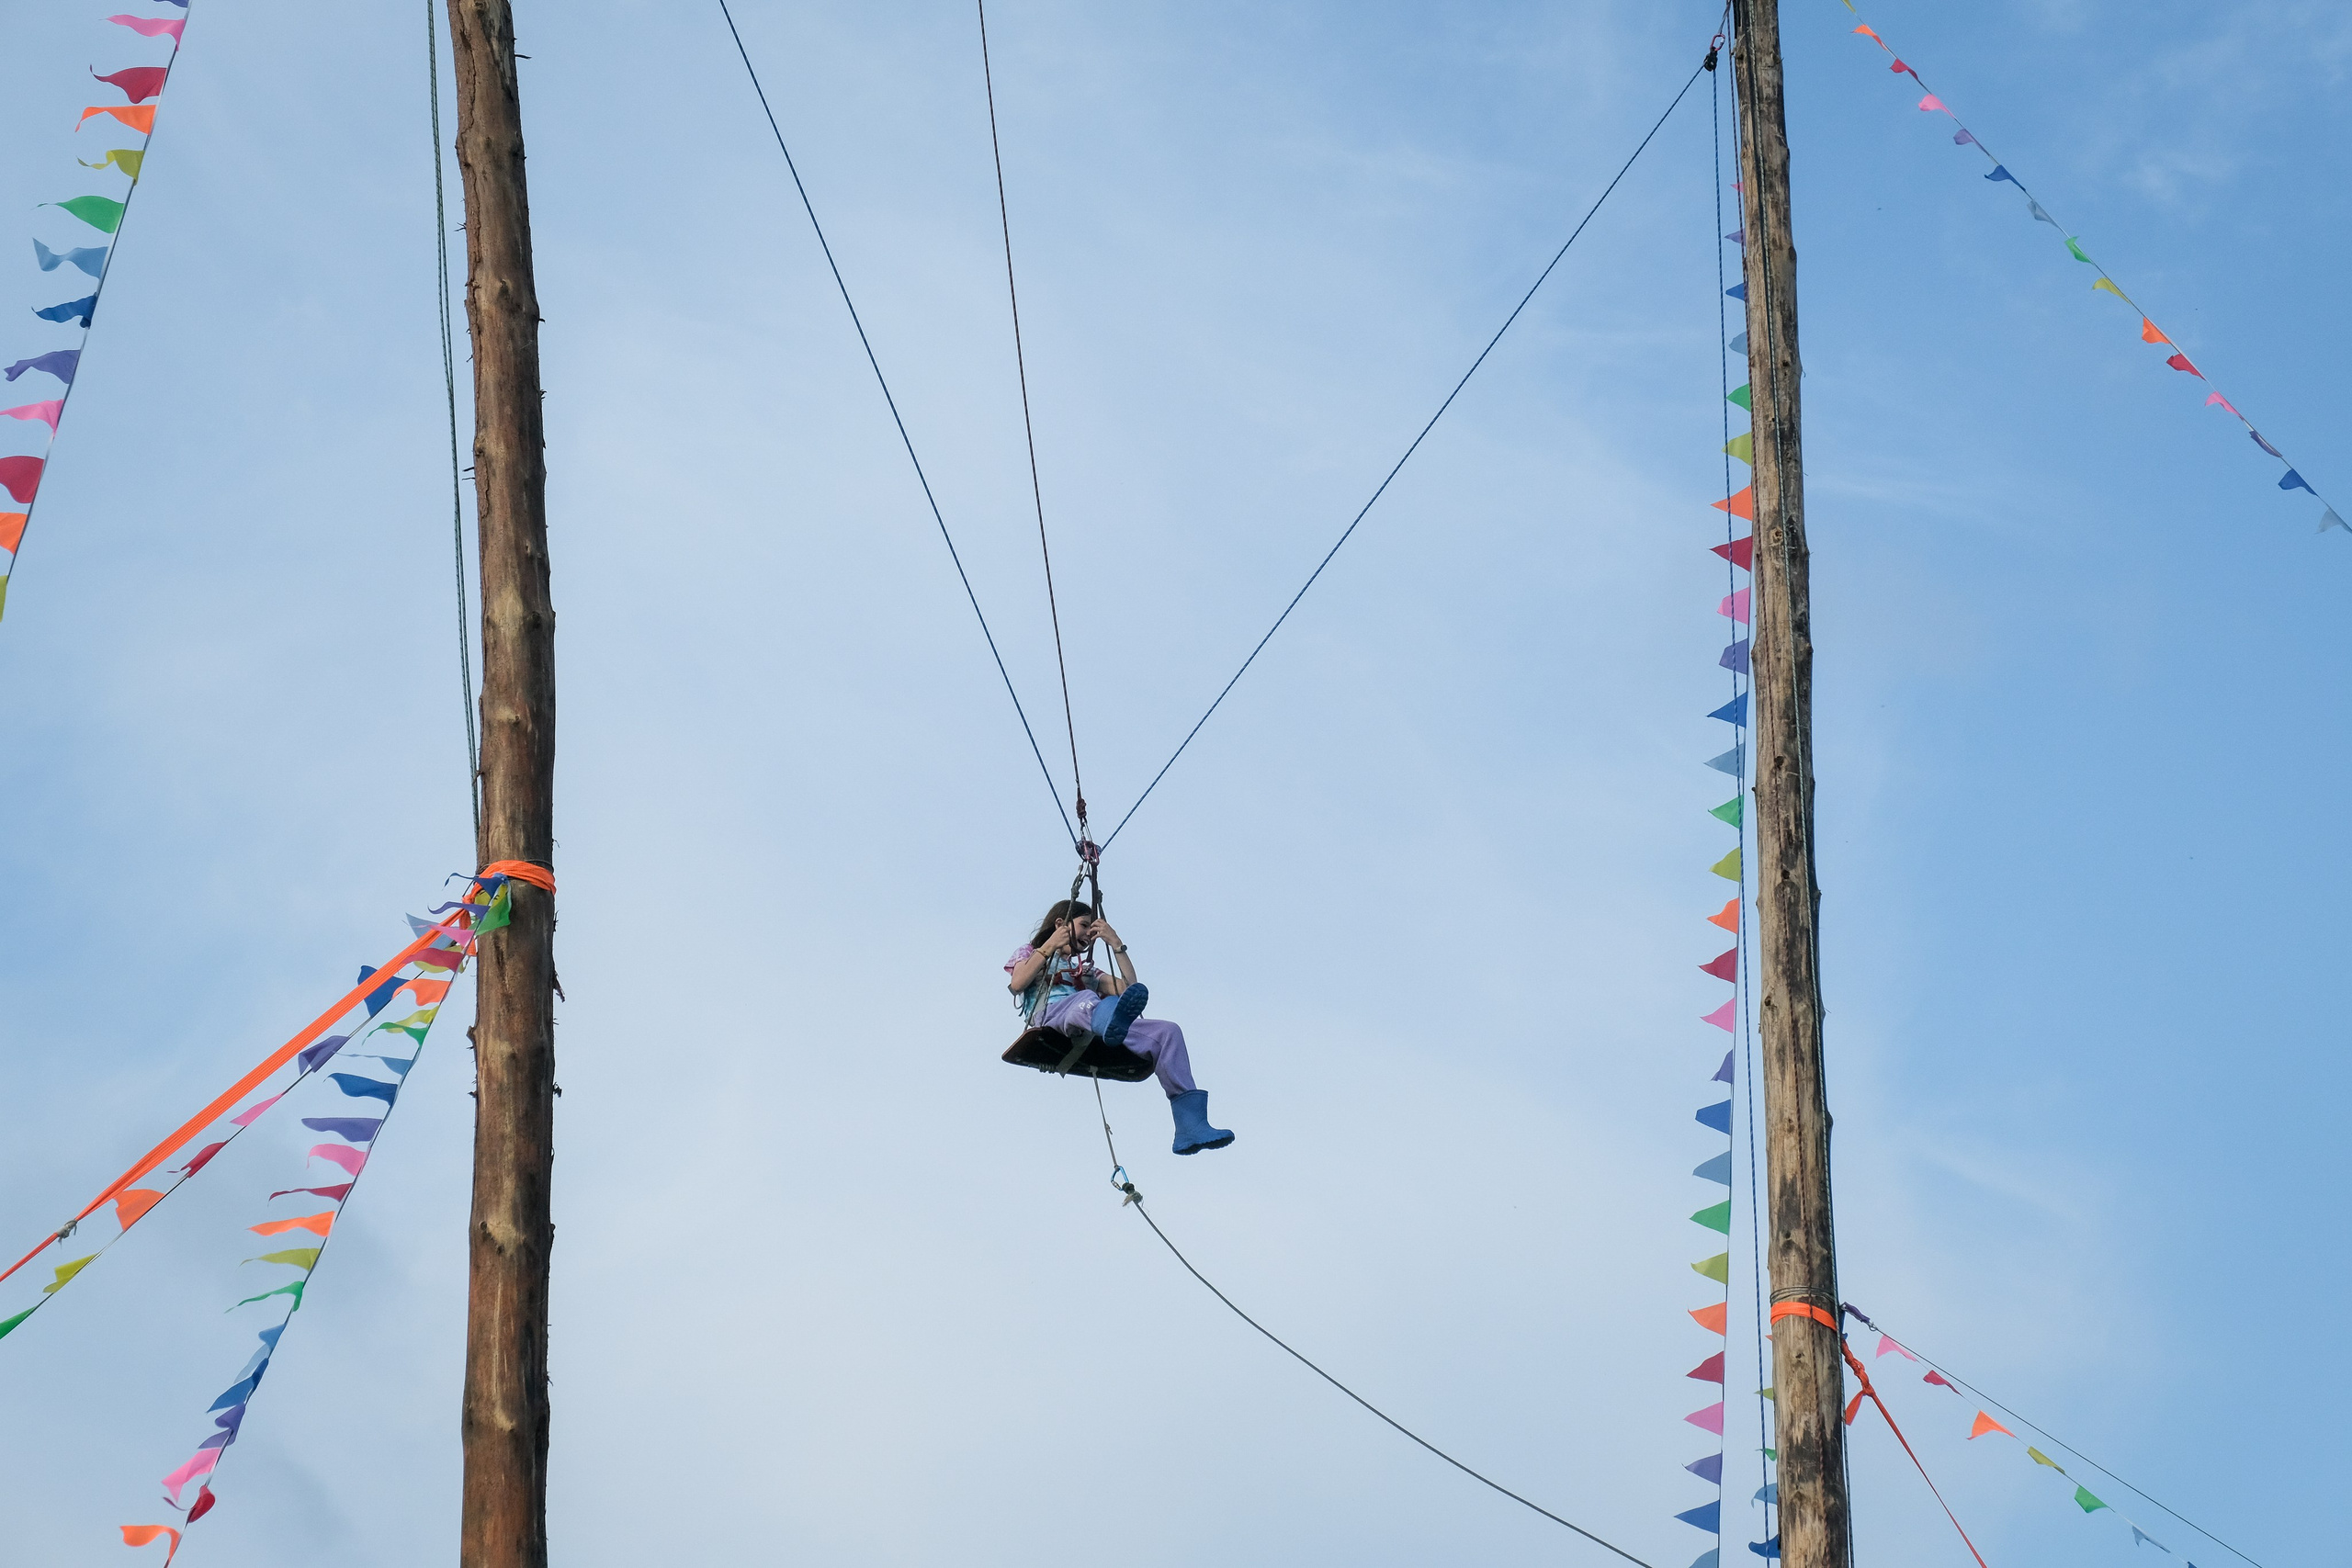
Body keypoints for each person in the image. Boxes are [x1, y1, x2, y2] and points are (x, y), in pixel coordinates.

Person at [1004, 898, 1234, 1156]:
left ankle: (1191, 1127)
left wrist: (1116, 944)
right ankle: (1107, 1019)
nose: (1089, 936)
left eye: (1093, 932)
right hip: (1053, 1017)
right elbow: (1018, 982)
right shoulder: (1030, 953)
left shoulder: (1087, 970)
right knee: (1086, 1000)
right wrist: (1051, 945)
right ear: (1061, 924)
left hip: (1091, 1022)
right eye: (1084, 926)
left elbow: (1129, 990)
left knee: (1168, 1032)